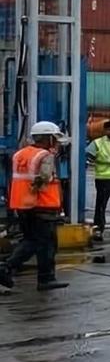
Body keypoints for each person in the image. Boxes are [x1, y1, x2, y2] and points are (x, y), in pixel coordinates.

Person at [4, 121, 70, 291]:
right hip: (43, 206)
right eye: (54, 139)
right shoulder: (45, 156)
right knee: (45, 243)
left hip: (23, 205)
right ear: (47, 138)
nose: (56, 143)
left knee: (32, 240)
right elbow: (44, 178)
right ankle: (11, 269)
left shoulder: (20, 154)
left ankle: (39, 276)